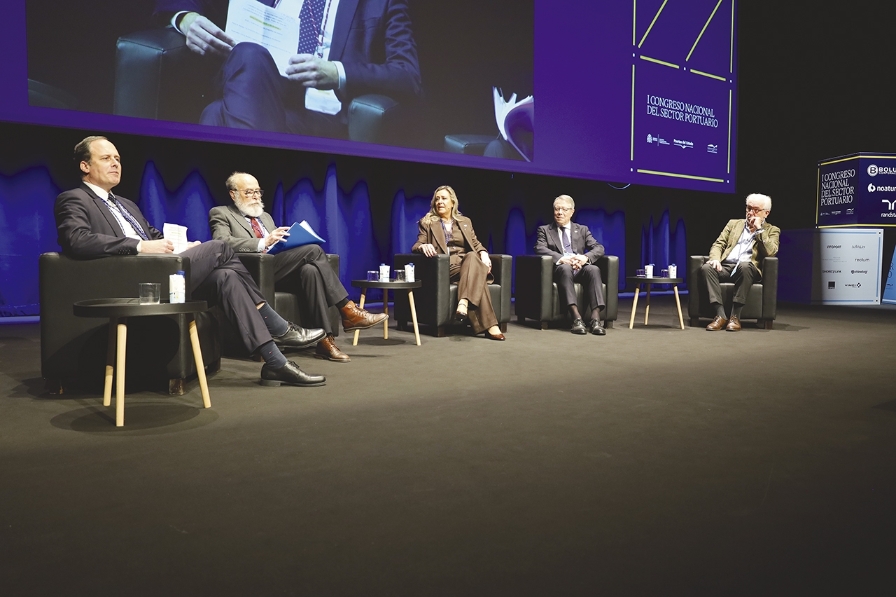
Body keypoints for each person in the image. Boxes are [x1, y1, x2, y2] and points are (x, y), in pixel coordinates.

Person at [55, 136, 328, 388]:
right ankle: (278, 326)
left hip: (163, 272)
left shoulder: (128, 204)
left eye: (117, 158)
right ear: (85, 166)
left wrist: (183, 247)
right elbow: (77, 240)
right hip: (130, 282)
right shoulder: (74, 199)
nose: (115, 163)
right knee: (220, 247)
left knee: (226, 277)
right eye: (106, 159)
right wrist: (139, 246)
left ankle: (275, 362)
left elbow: (155, 236)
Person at [152, 0, 423, 138]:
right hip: (255, 85)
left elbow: (408, 76)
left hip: (317, 114)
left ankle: (241, 222)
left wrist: (337, 72)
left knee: (215, 114)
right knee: (250, 54)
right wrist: (186, 19)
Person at [209, 171, 388, 362]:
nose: (255, 196)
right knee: (313, 250)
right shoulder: (221, 213)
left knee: (310, 271)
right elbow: (221, 242)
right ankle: (347, 309)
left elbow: (275, 249)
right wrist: (263, 242)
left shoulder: (266, 217)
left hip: (275, 269)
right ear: (233, 193)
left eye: (258, 192)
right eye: (249, 192)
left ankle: (325, 341)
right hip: (252, 274)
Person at [411, 186, 504, 340]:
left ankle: (464, 302)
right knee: (475, 269)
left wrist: (484, 254)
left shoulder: (465, 221)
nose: (439, 202)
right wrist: (423, 246)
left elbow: (476, 243)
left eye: (444, 198)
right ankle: (491, 325)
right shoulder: (427, 222)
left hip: (466, 266)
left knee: (473, 256)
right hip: (444, 268)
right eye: (437, 199)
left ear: (453, 202)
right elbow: (416, 245)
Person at [700, 193, 780, 332]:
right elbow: (719, 244)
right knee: (707, 268)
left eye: (756, 210)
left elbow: (771, 252)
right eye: (748, 208)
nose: (750, 213)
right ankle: (720, 315)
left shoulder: (772, 230)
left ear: (766, 213)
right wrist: (715, 259)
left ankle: (735, 316)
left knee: (744, 265)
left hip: (748, 269)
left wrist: (759, 230)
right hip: (727, 266)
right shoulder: (734, 224)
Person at [534, 195, 607, 335]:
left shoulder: (582, 230)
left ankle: (595, 319)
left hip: (579, 268)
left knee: (593, 269)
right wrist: (562, 259)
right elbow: (539, 248)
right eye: (557, 209)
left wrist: (585, 258)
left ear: (572, 211)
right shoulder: (545, 230)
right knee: (565, 268)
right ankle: (576, 318)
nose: (559, 212)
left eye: (563, 209)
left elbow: (599, 248)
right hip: (560, 270)